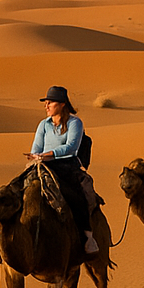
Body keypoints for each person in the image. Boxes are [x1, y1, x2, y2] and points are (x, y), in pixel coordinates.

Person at [25, 85, 100, 255]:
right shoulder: (43, 124)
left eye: (50, 102)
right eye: (46, 102)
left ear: (62, 104)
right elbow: (36, 146)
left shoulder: (75, 123)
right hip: (43, 164)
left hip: (66, 165)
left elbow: (71, 147)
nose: (46, 106)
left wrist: (50, 154)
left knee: (77, 197)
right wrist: (35, 155)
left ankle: (88, 237)